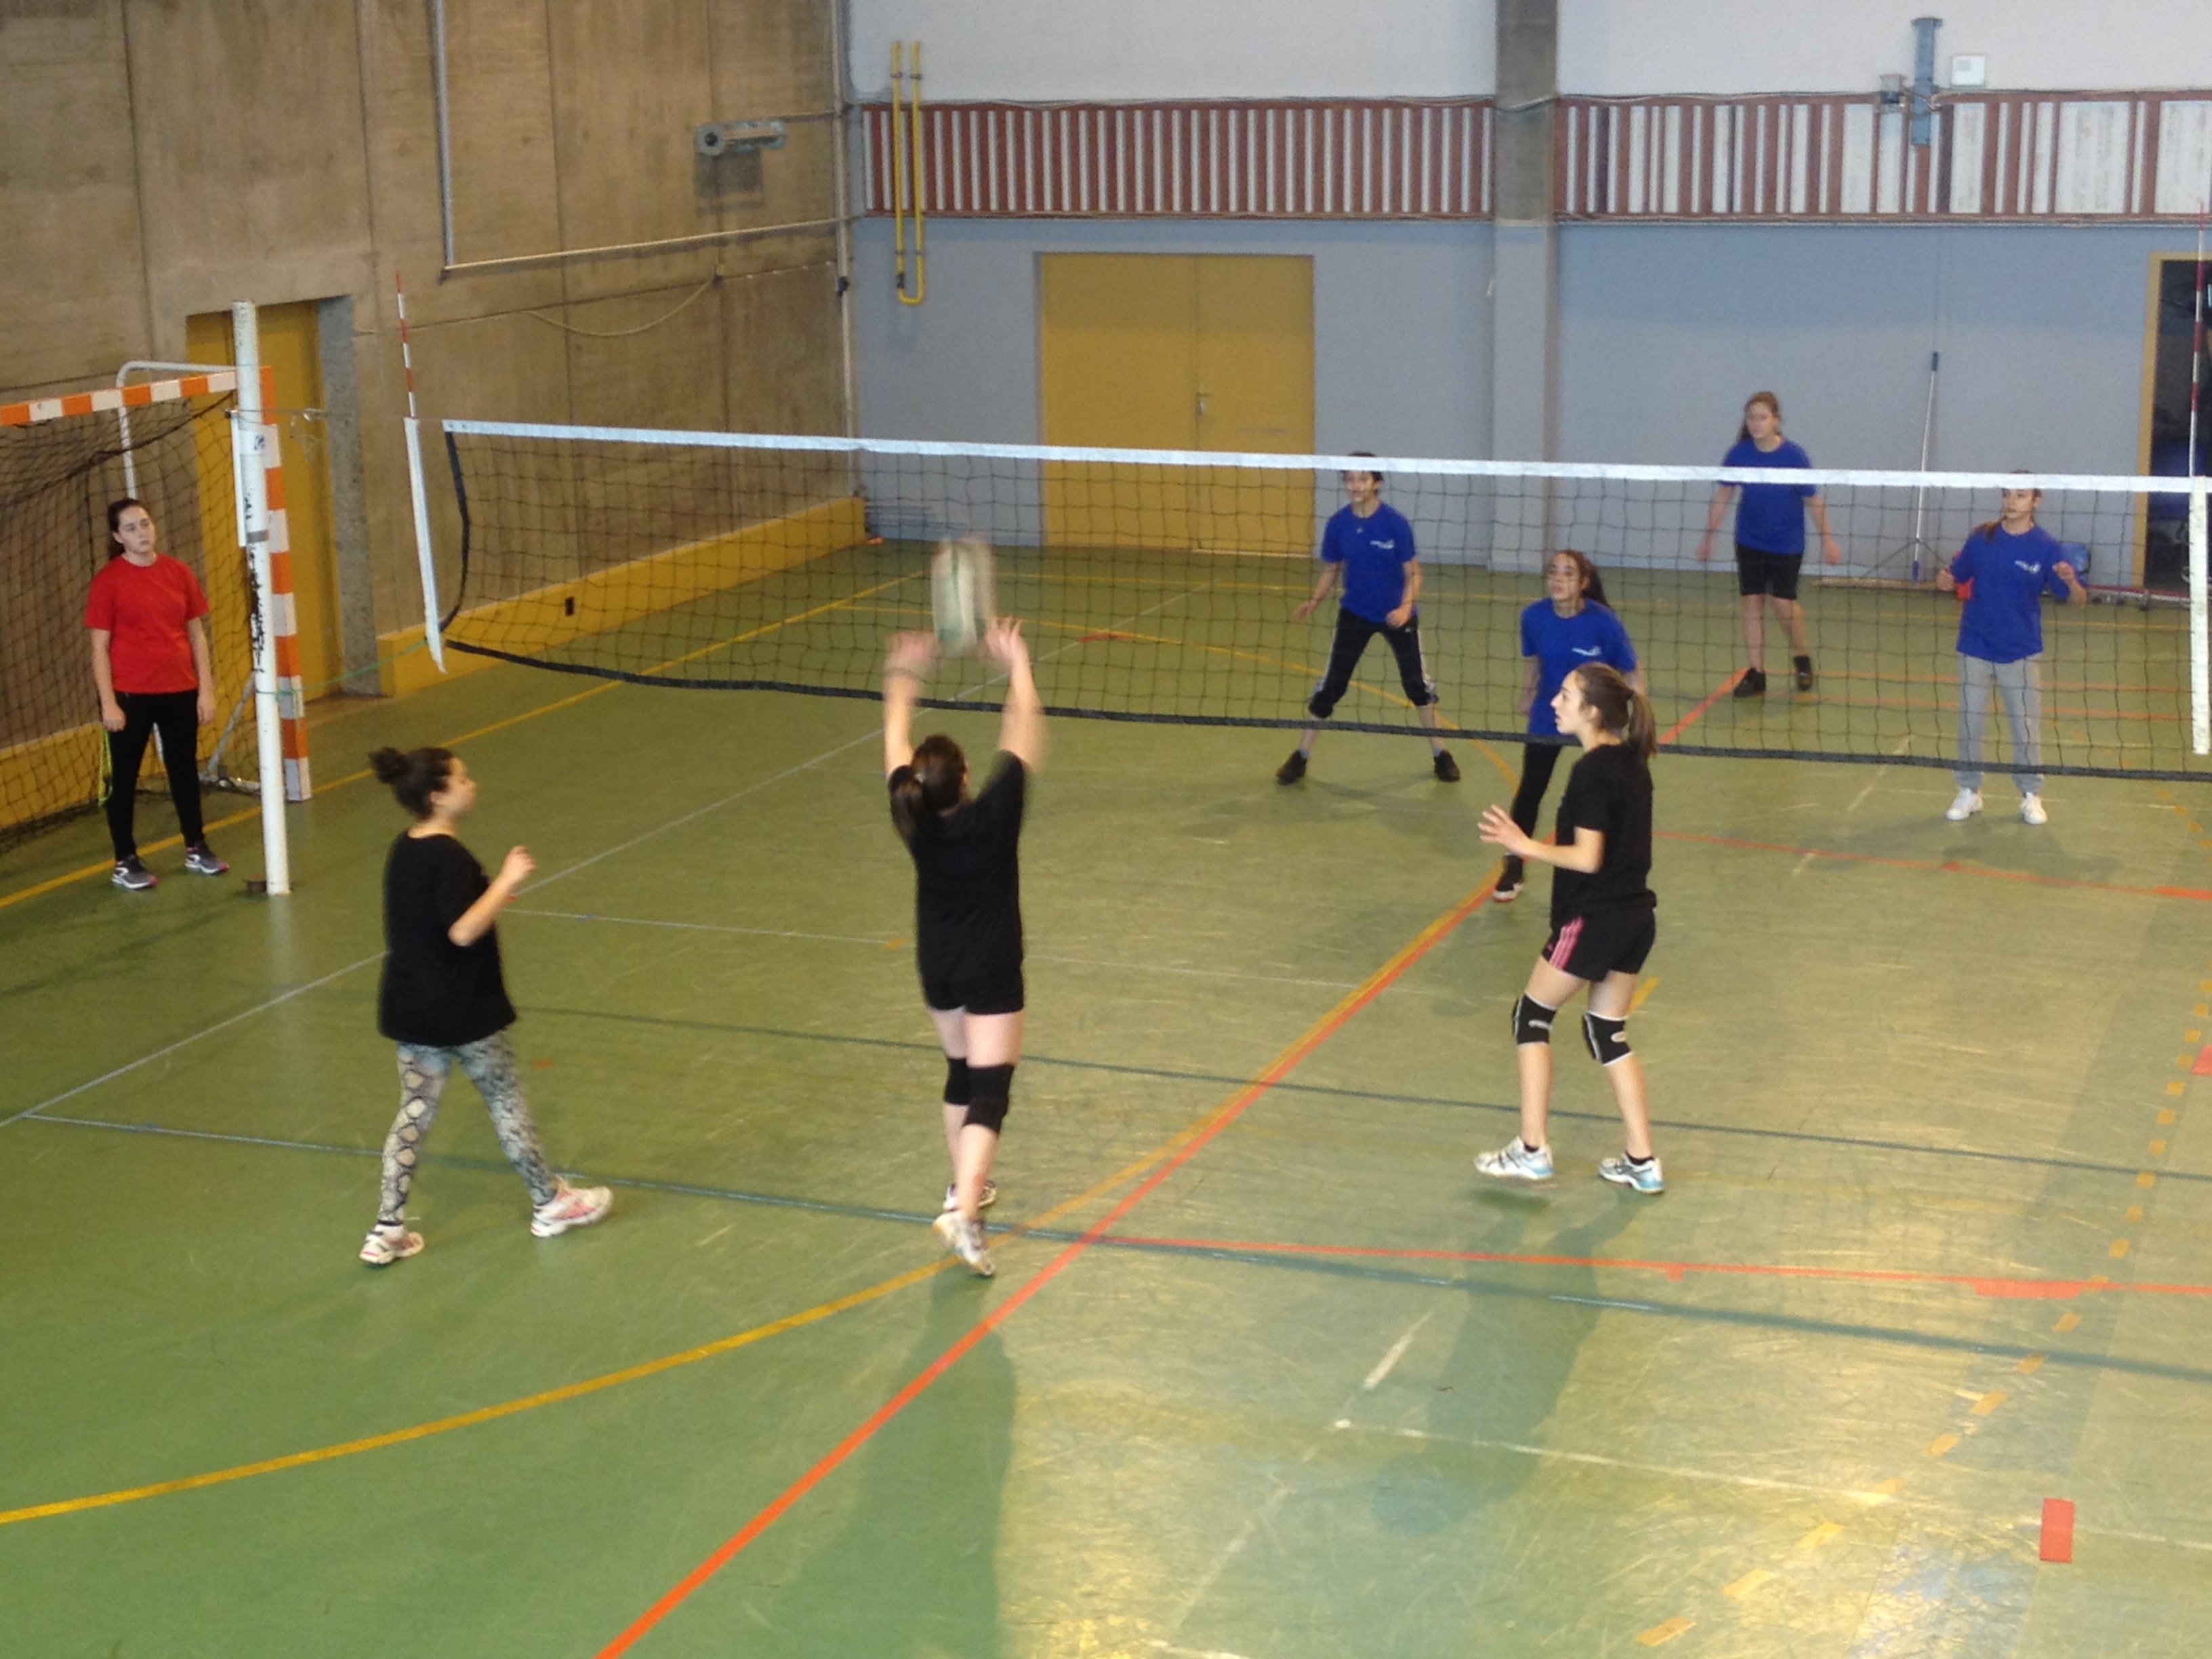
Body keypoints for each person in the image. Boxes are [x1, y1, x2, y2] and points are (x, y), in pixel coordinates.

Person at [359, 746, 611, 1266]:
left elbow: (437, 913)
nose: (471, 784)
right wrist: (506, 880)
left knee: (413, 1114)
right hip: (463, 1009)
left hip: (412, 1007)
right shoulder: (450, 856)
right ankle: (550, 1203)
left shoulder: (405, 847)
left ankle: (387, 1230)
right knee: (504, 1098)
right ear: (438, 796)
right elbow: (463, 930)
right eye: (462, 779)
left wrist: (487, 896)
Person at [884, 618, 1046, 1278]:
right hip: (991, 967)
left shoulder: (912, 818)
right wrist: (1018, 664)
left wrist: (903, 674)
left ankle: (961, 1189)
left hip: (938, 967)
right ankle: (967, 1214)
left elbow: (894, 741)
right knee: (990, 1091)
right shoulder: (994, 816)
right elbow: (1023, 729)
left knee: (960, 1071)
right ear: (967, 779)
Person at [1474, 663, 1664, 1195]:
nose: (1554, 702)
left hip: (1594, 919)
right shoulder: (1632, 761)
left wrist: (1524, 846)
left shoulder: (1592, 772)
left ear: (1592, 711)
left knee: (1531, 1016)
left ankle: (1532, 1150)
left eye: (1565, 695)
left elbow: (1587, 857)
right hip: (1635, 918)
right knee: (1607, 1032)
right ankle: (1642, 1161)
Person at [1277, 459, 1460, 784]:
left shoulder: (1395, 524)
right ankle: (1301, 756)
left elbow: (1414, 573)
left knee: (1417, 686)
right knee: (1330, 687)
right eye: (1350, 479)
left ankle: (1441, 753)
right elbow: (1332, 568)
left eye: (1362, 479)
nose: (1355, 485)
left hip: (1397, 615)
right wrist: (1315, 600)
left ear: (1377, 483)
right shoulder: (1338, 524)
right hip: (1355, 614)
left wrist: (1405, 607)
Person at [84, 498, 226, 889]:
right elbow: (99, 647)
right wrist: (109, 703)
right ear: (118, 536)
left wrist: (205, 690)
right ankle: (125, 859)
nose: (141, 533)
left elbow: (196, 635)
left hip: (180, 690)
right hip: (131, 696)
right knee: (125, 779)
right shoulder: (108, 581)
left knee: (184, 771)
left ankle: (196, 846)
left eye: (145, 524)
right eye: (131, 528)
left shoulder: (178, 572)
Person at [1936, 482, 2088, 825]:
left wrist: (2070, 581)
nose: (2012, 501)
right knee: (1971, 722)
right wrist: (1944, 579)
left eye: (2021, 495)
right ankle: (1969, 791)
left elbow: (2077, 600)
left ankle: (2031, 795)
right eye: (2007, 494)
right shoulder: (1981, 538)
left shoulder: (2047, 547)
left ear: (2036, 500)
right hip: (1975, 645)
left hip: (2020, 650)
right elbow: (1952, 577)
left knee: (2025, 728)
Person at [1496, 550, 1642, 904]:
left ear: (1583, 583)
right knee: (1531, 788)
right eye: (1553, 573)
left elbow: (1632, 672)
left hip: (1594, 715)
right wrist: (1527, 694)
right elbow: (1534, 660)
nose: (1558, 580)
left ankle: (1609, 865)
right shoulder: (1534, 617)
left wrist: (1636, 718)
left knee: (1608, 789)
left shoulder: (1604, 623)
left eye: (1568, 574)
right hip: (1551, 712)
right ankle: (1514, 863)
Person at [1694, 392, 1843, 697]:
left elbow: (1813, 501)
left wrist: (1828, 539)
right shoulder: (1739, 454)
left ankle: (1801, 657)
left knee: (1783, 605)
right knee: (1752, 603)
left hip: (1787, 543)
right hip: (1749, 539)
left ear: (1776, 420)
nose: (1756, 423)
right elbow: (1723, 495)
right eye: (1751, 417)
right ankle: (1757, 673)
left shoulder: (1794, 456)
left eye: (1762, 417)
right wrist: (1709, 536)